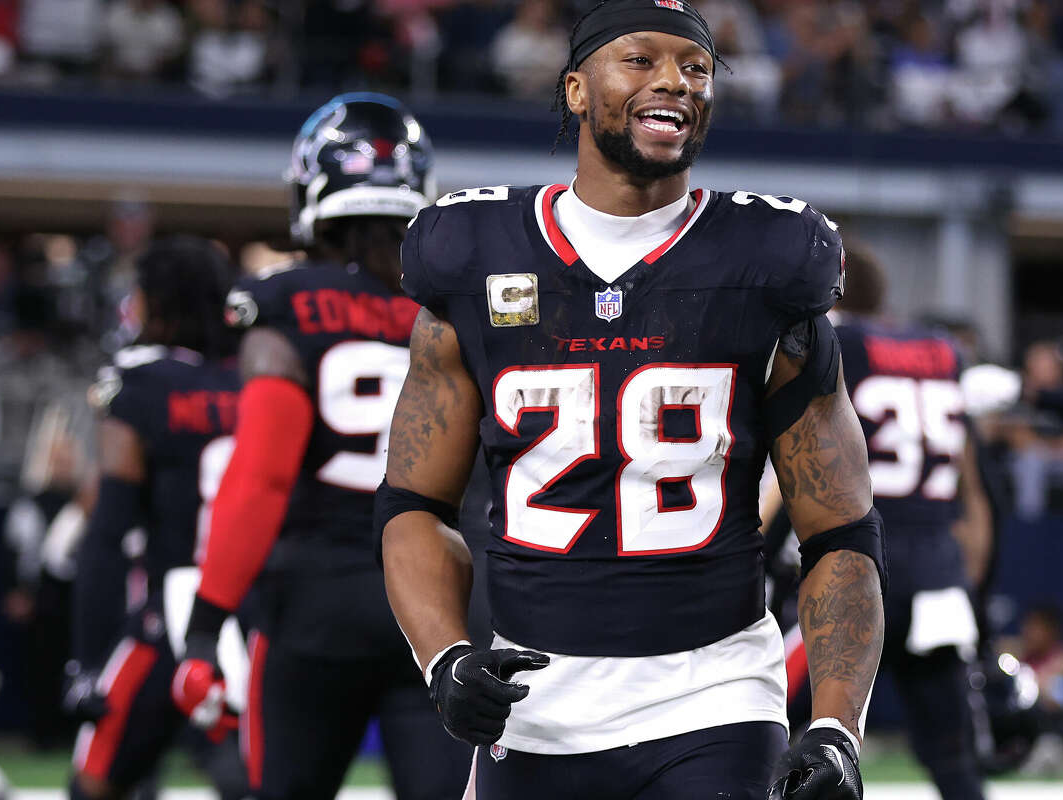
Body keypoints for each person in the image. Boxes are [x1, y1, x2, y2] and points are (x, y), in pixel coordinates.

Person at [375, 3, 885, 798]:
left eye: (695, 67)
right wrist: (444, 656)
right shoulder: (474, 254)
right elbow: (413, 502)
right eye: (641, 61)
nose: (674, 83)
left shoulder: (770, 263)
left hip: (712, 694)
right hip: (532, 703)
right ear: (577, 89)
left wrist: (836, 725)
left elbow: (840, 529)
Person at [172, 93, 473, 800]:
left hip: (314, 603)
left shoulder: (283, 305)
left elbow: (261, 477)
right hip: (442, 601)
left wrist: (205, 623)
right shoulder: (454, 308)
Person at [63, 236, 245, 800]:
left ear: (160, 303)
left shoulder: (140, 381)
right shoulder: (258, 380)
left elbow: (108, 532)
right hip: (250, 611)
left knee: (94, 783)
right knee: (252, 778)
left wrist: (88, 658)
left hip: (167, 613)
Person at [831, 246, 991, 800]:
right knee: (951, 755)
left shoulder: (840, 344)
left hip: (856, 570)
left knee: (795, 737)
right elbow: (974, 494)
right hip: (939, 576)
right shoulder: (943, 350)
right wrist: (964, 581)